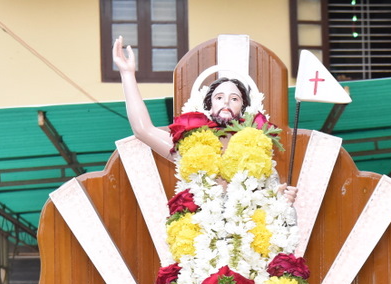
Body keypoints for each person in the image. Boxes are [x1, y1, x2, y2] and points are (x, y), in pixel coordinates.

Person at [112, 36, 297, 203]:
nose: (226, 102)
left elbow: (271, 202)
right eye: (219, 97)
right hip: (202, 226)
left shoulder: (257, 149)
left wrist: (283, 198)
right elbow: (142, 129)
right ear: (209, 105)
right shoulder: (190, 146)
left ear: (243, 108)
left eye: (234, 98)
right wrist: (127, 74)